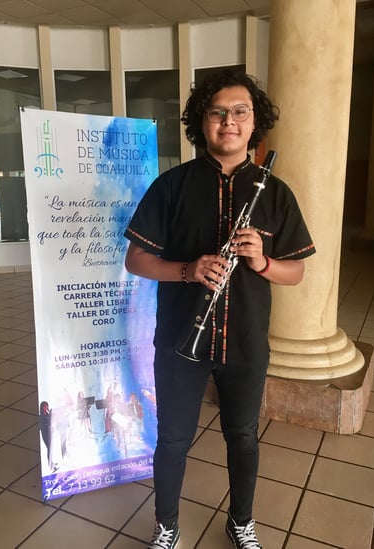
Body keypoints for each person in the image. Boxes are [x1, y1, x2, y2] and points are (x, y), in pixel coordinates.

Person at [124, 68, 315, 549]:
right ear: (202, 122)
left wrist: (262, 260)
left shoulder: (276, 192)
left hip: (246, 342)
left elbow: (296, 271)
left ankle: (241, 521)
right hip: (178, 340)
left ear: (254, 124)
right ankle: (167, 526)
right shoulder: (172, 185)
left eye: (240, 112)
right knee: (172, 440)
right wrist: (189, 270)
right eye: (217, 112)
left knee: (244, 437)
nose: (228, 121)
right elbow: (137, 259)